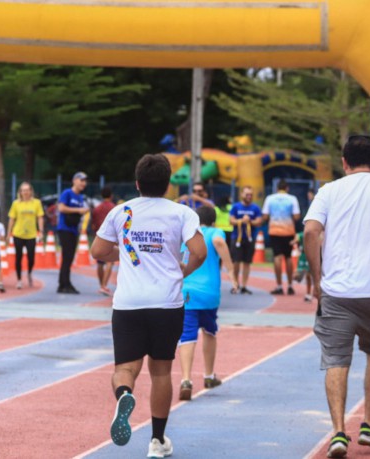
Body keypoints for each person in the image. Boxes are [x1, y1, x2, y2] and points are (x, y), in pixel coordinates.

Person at [304, 135, 370, 458]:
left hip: (336, 291)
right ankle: (368, 424)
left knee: (336, 360)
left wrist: (317, 277)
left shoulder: (329, 190)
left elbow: (311, 231)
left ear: (344, 162)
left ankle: (339, 432)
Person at [91, 153, 206, 459]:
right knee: (160, 372)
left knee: (125, 368)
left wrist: (126, 256)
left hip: (128, 304)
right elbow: (199, 252)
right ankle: (157, 440)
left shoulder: (121, 211)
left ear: (137, 183)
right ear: (168, 184)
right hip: (166, 303)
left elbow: (98, 251)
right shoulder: (181, 213)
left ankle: (124, 394)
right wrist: (182, 270)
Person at [178, 206, 238, 401]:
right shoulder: (215, 232)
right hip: (208, 292)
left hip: (186, 290)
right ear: (214, 221)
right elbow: (219, 242)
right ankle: (209, 375)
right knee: (209, 332)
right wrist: (232, 274)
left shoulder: (188, 234)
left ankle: (186, 379)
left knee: (187, 335)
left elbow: (179, 259)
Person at [263, 179, 301, 295]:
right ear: (287, 188)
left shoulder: (270, 198)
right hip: (288, 231)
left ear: (277, 188)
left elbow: (265, 216)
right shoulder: (292, 199)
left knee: (277, 257)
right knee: (288, 257)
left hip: (274, 231)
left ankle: (279, 286)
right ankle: (290, 285)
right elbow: (296, 216)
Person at [7, 182, 45, 289]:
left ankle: (29, 273)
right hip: (18, 233)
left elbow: (40, 217)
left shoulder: (36, 203)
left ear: (31, 191)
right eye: (23, 190)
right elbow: (12, 218)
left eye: (27, 190)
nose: (25, 192)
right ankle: (19, 279)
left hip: (31, 234)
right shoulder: (16, 203)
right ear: (20, 192)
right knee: (18, 257)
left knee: (31, 258)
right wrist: (8, 233)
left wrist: (41, 231)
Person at [57, 172, 89, 294]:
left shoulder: (80, 197)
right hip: (64, 229)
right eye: (81, 180)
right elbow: (61, 208)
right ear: (74, 180)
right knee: (67, 257)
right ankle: (65, 284)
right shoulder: (67, 193)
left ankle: (63, 283)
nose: (83, 183)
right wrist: (79, 210)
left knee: (69, 258)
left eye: (85, 181)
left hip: (73, 229)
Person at [229, 185, 262, 294]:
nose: (249, 196)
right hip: (237, 238)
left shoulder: (255, 208)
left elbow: (259, 221)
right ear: (242, 194)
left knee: (247, 262)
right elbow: (231, 220)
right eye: (247, 194)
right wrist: (241, 221)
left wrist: (250, 221)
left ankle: (244, 285)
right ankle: (235, 284)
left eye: (251, 195)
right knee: (236, 262)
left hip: (249, 238)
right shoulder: (236, 207)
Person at [92, 186, 116, 296]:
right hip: (112, 237)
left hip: (100, 236)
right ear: (111, 195)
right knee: (110, 262)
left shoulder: (97, 208)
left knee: (100, 262)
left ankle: (101, 284)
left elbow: (93, 224)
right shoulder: (114, 208)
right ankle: (104, 285)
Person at [293, 231, 314, 302]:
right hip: (303, 256)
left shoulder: (315, 233)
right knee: (297, 276)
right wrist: (293, 242)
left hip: (311, 256)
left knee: (309, 276)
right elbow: (296, 239)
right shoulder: (300, 235)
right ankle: (299, 277)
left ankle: (308, 294)